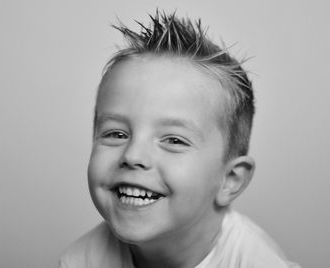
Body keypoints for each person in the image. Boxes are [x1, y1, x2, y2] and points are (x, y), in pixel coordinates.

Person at [60, 10, 300, 268]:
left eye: (174, 140)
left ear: (230, 180)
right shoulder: (81, 260)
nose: (133, 155)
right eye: (116, 134)